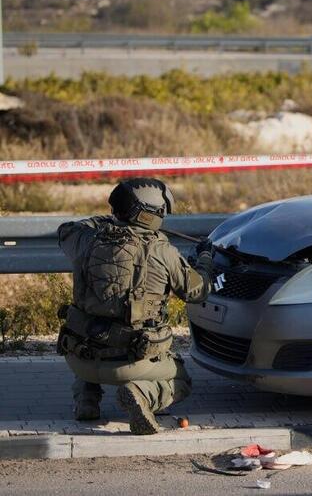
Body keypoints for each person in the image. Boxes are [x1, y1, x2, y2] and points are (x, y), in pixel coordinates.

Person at [57, 178, 215, 435]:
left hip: (80, 359)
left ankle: (86, 401)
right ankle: (142, 394)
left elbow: (66, 229)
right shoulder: (162, 250)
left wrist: (108, 222)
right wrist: (205, 259)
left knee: (91, 329)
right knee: (181, 380)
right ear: (152, 214)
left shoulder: (86, 240)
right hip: (132, 364)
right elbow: (198, 291)